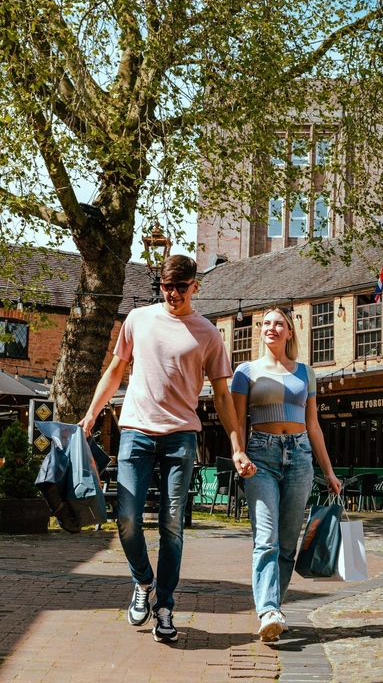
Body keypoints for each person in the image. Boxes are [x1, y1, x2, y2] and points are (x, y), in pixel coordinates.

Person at [80, 255, 254, 643]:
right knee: (126, 517)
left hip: (180, 438)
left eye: (180, 286)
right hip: (135, 433)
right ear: (160, 285)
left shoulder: (208, 333)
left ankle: (165, 607)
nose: (173, 293)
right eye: (166, 286)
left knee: (172, 524)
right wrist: (92, 414)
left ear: (196, 286)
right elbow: (114, 371)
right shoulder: (138, 320)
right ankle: (144, 582)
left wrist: (237, 446)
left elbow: (223, 396)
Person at [230, 307, 342, 642]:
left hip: (300, 457)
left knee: (287, 545)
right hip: (260, 456)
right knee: (266, 539)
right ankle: (266, 609)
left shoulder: (306, 373)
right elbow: (237, 421)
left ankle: (273, 612)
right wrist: (240, 453)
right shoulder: (245, 372)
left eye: (279, 324)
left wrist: (329, 472)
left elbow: (313, 426)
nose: (271, 328)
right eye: (266, 323)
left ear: (290, 332)